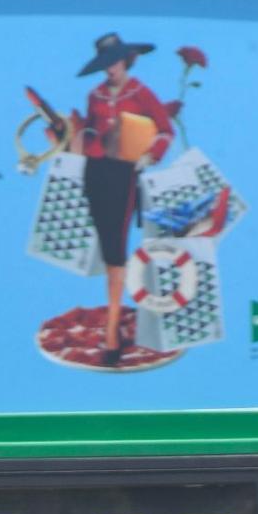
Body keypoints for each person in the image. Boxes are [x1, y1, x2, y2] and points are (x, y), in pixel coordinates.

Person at [72, 32, 173, 366]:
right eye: (105, 63)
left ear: (127, 60)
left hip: (123, 174)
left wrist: (150, 154)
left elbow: (165, 129)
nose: (110, 69)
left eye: (114, 62)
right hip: (95, 173)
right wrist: (76, 136)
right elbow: (88, 132)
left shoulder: (141, 93)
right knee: (107, 248)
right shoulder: (95, 95)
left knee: (116, 250)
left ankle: (112, 329)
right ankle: (113, 319)